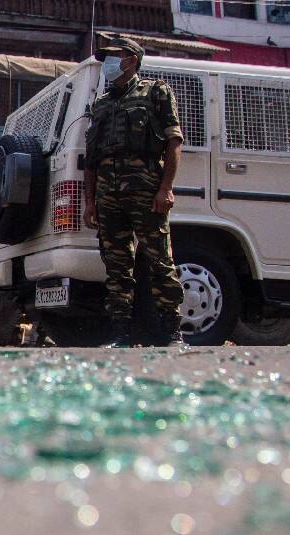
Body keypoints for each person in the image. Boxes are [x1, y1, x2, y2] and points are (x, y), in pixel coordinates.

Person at [83, 36, 186, 348]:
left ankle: (172, 332)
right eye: (107, 58)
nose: (109, 64)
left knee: (160, 261)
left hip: (146, 191)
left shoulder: (155, 92)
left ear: (133, 60)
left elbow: (174, 142)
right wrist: (91, 203)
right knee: (116, 267)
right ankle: (120, 334)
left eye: (116, 57)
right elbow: (91, 159)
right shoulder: (100, 105)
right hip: (108, 196)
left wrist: (166, 188)